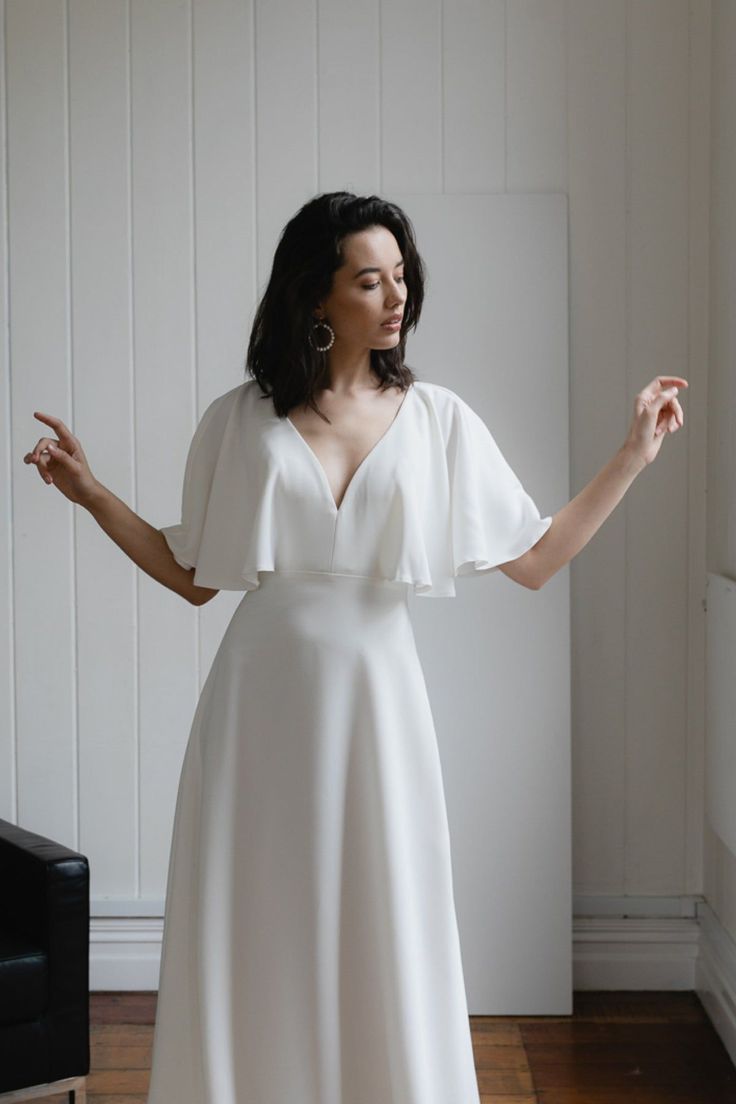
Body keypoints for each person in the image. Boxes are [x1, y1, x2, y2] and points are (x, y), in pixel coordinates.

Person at [23, 191, 687, 1103]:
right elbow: (192, 575)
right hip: (259, 704)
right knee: (257, 918)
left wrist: (632, 456)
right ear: (316, 298)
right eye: (369, 280)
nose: (394, 297)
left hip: (379, 704)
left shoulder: (439, 419)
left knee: (389, 915)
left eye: (401, 278)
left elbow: (533, 559)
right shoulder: (239, 419)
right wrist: (93, 494)